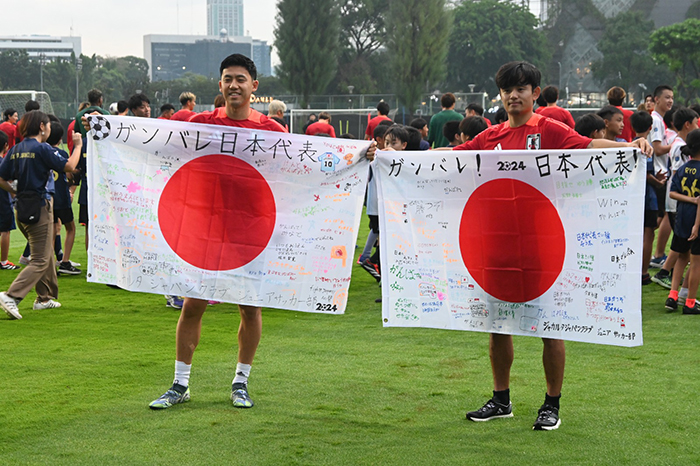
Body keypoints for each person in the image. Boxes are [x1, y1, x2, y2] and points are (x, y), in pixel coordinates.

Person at [146, 53, 378, 410]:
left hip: (253, 232)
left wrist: (360, 155)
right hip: (208, 229)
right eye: (227, 79)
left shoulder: (272, 131)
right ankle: (180, 384)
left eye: (241, 79)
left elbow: (307, 165)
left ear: (255, 87)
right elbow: (155, 142)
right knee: (192, 305)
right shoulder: (202, 123)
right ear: (220, 84)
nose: (233, 85)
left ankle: (241, 382)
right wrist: (105, 130)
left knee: (249, 308)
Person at [453, 61, 651, 431]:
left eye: (522, 89)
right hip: (497, 246)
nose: (514, 95)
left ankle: (551, 404)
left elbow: (591, 146)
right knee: (498, 327)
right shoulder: (490, 137)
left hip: (544, 246)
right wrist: (385, 158)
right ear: (500, 95)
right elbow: (452, 157)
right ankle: (501, 399)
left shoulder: (550, 130)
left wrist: (631, 146)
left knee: (551, 326)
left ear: (534, 93)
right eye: (507, 90)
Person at [0, 111, 82, 320]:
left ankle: (44, 298)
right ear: (42, 127)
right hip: (40, 208)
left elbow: (1, 177)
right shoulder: (42, 148)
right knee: (40, 259)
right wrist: (78, 145)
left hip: (22, 208)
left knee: (45, 254)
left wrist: (14, 192)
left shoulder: (16, 149)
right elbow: (70, 167)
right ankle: (11, 295)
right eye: (46, 125)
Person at [655, 108, 700, 293]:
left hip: (679, 203)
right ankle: (682, 291)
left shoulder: (677, 144)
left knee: (684, 250)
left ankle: (676, 291)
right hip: (684, 205)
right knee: (689, 252)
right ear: (688, 124)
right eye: (696, 122)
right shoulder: (680, 148)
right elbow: (682, 180)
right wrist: (692, 199)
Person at [667, 128, 700, 314]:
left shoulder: (682, 169)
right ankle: (690, 302)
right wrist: (695, 201)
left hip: (681, 218)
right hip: (697, 220)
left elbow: (672, 192)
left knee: (681, 256)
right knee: (696, 262)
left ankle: (672, 295)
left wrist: (689, 200)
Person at [46, 119, 80, 275]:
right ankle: (65, 262)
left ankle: (50, 263)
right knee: (70, 228)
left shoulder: (43, 152)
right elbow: (68, 172)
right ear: (60, 139)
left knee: (52, 230)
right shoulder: (62, 153)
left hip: (50, 199)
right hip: (62, 198)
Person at [649, 85, 675, 269]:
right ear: (656, 99)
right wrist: (678, 145)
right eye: (666, 97)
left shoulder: (660, 120)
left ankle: (655, 254)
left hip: (661, 173)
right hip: (660, 174)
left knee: (661, 216)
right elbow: (658, 150)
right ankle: (658, 255)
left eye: (672, 97)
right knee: (666, 215)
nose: (670, 101)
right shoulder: (656, 120)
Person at [0, 131, 19, 270]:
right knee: (5, 230)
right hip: (3, 200)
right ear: (6, 146)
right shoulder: (4, 163)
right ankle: (4, 261)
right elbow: (11, 181)